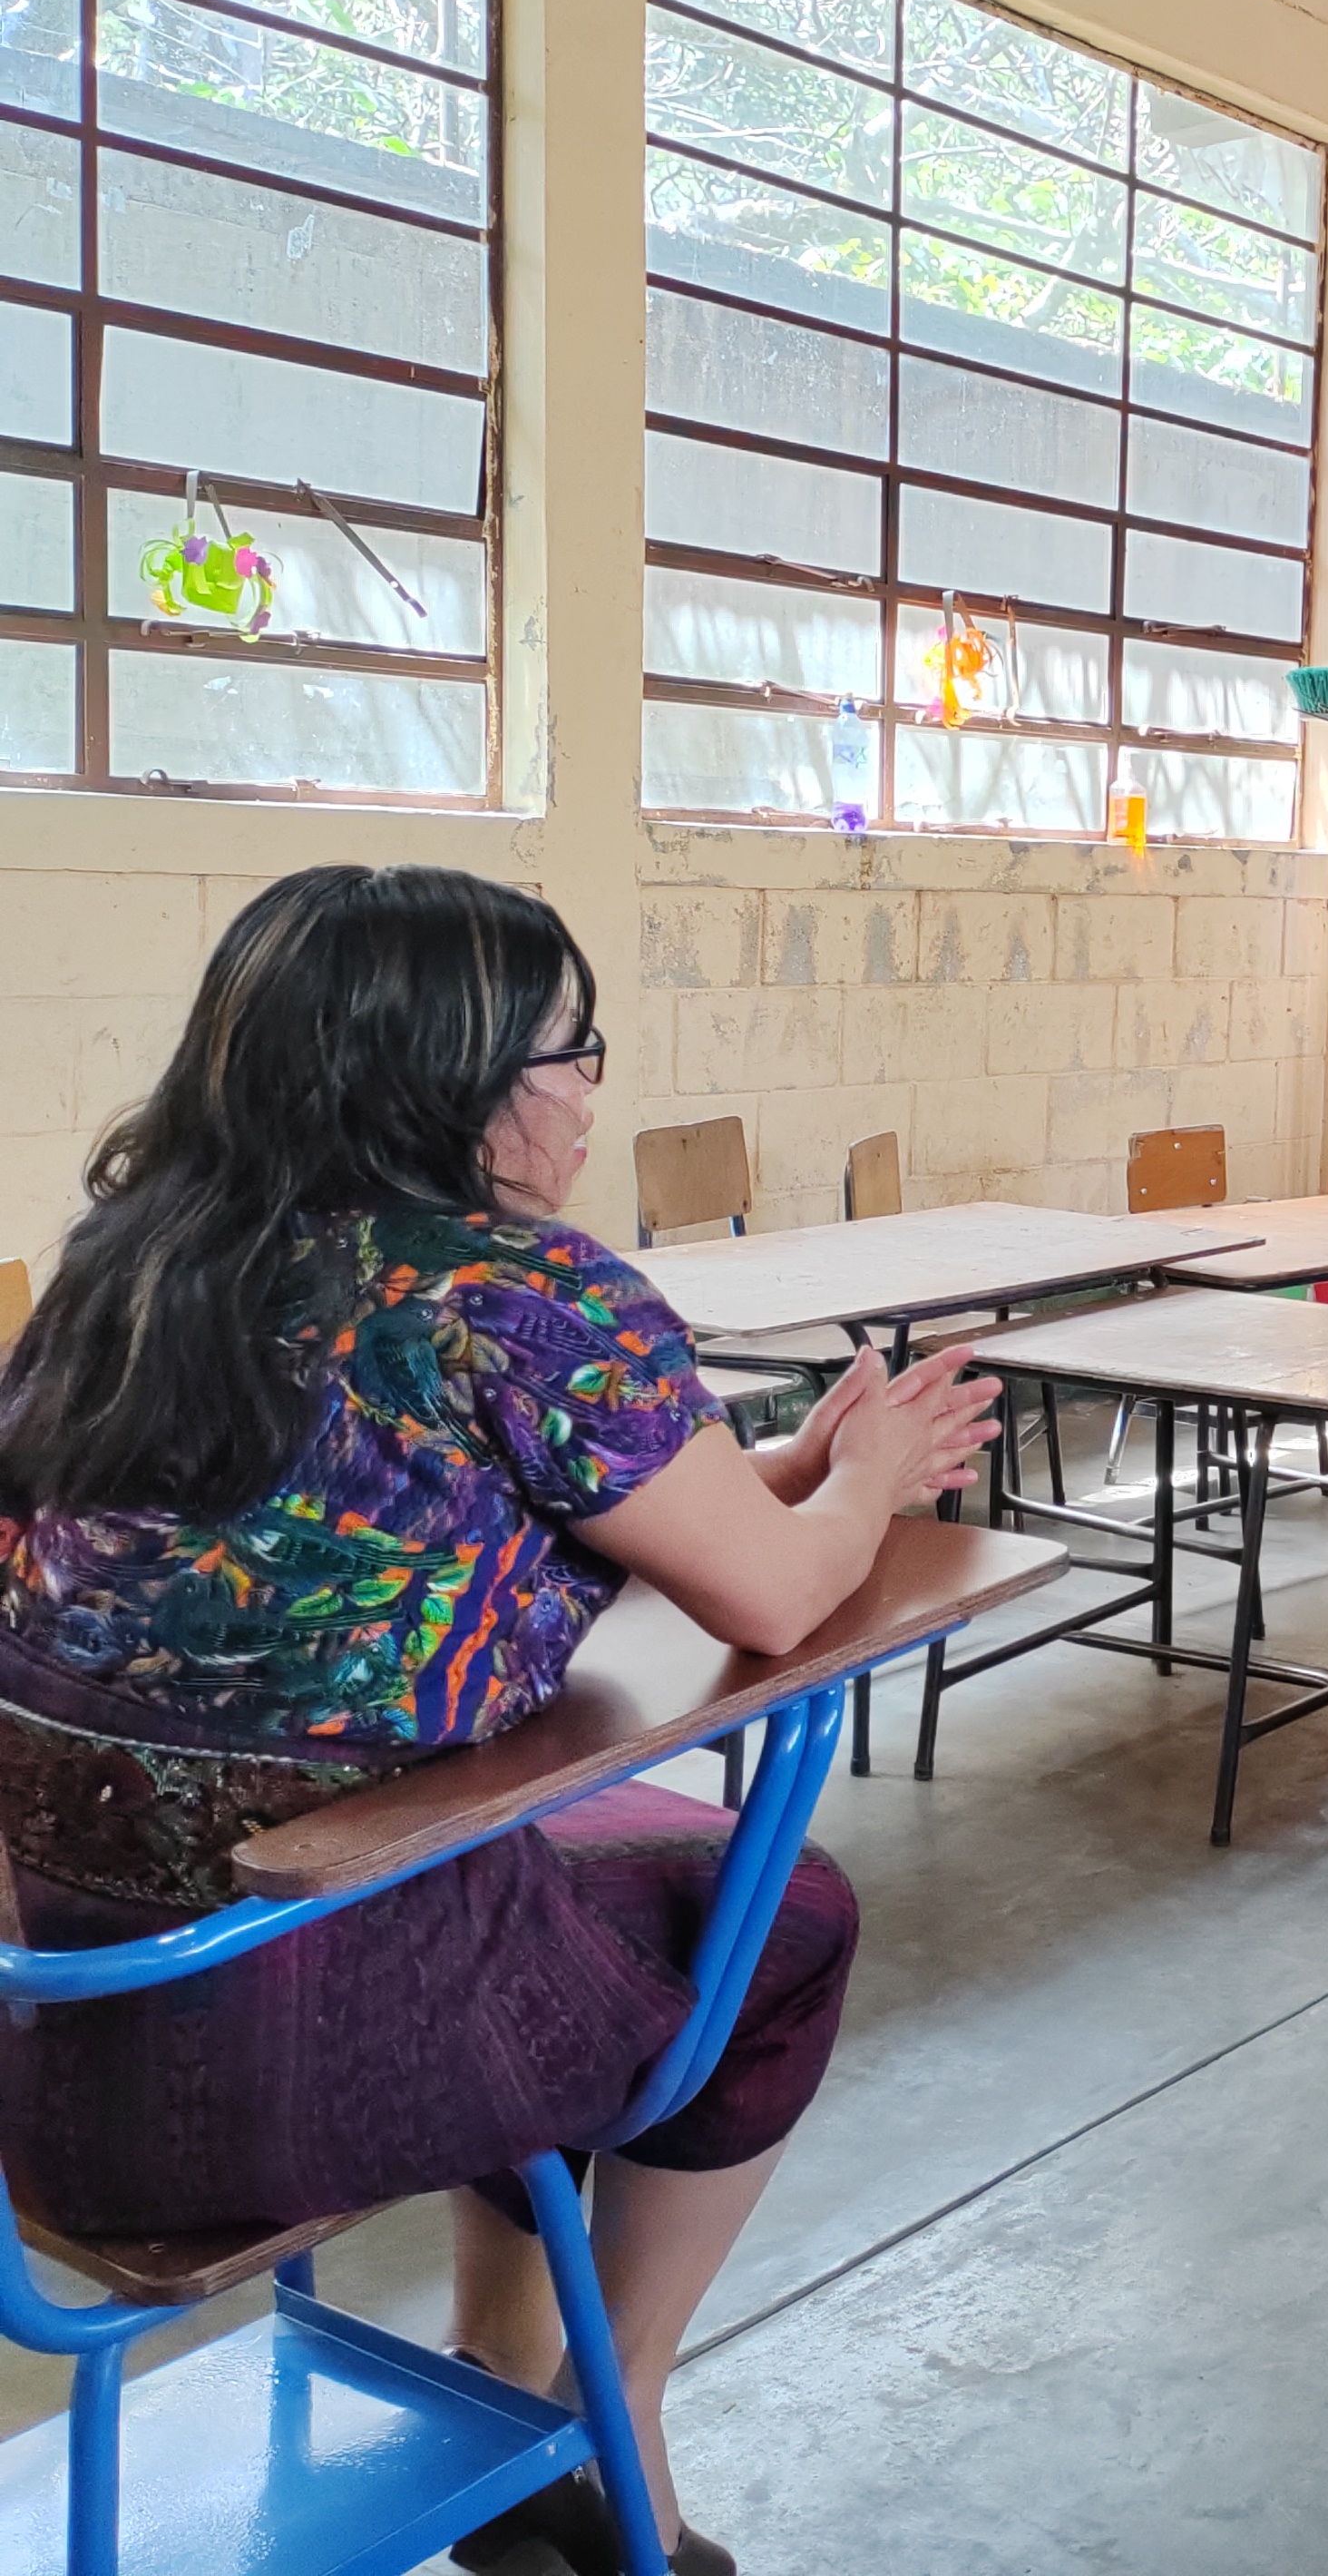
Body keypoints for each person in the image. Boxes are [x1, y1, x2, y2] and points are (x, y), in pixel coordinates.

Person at [0, 864, 1000, 2576]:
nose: (590, 1086)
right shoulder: (522, 1289)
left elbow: (428, 1539)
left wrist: (783, 1482)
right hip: (306, 2050)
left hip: (62, 2039)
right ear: (444, 1075)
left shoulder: (135, 1269)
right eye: (572, 1048)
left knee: (552, 1868)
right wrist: (876, 1481)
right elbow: (770, 1601)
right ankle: (615, 2414)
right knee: (782, 1917)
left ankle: (496, 2366)